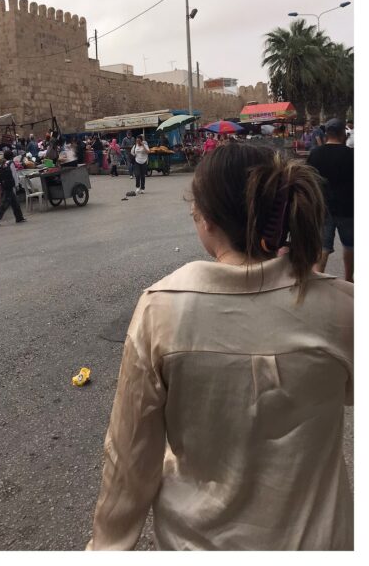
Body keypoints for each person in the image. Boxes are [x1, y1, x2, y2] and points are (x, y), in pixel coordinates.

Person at [88, 143, 352, 550]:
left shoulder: (163, 309)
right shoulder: (342, 307)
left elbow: (130, 459)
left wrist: (106, 548)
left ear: (206, 220)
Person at [308, 118, 354, 283]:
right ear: (343, 134)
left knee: (323, 247)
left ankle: (318, 280)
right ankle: (349, 279)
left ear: (326, 134)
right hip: (348, 208)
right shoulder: (352, 154)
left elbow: (308, 181)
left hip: (322, 207)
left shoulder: (315, 154)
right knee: (350, 245)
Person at [0, 149, 24, 226]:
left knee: (15, 202)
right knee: (5, 203)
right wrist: (17, 184)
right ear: (11, 156)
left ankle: (19, 217)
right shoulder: (11, 164)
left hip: (5, 185)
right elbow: (14, 175)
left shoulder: (2, 164)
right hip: (10, 186)